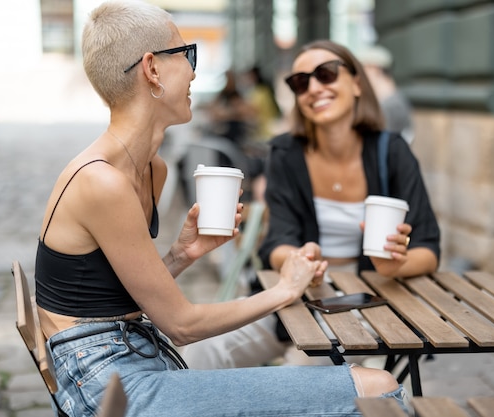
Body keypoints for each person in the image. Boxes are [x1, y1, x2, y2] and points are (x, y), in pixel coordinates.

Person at [34, 2, 407, 416]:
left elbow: (105, 299)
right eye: (186, 55)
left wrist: (181, 255)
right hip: (109, 386)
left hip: (131, 358)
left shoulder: (149, 169)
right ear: (152, 69)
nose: (194, 71)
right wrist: (285, 290)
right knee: (378, 388)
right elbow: (182, 326)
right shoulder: (102, 181)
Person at [182, 39, 440, 369]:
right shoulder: (286, 152)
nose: (314, 88)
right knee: (206, 349)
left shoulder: (392, 152)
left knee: (303, 371)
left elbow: (429, 249)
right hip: (297, 290)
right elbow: (276, 242)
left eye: (327, 74)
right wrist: (297, 259)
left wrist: (394, 265)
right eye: (300, 82)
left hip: (368, 298)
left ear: (357, 83)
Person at [357, 44, 414, 144]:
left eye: (363, 68)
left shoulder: (391, 105)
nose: (360, 75)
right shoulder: (392, 99)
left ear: (374, 69)